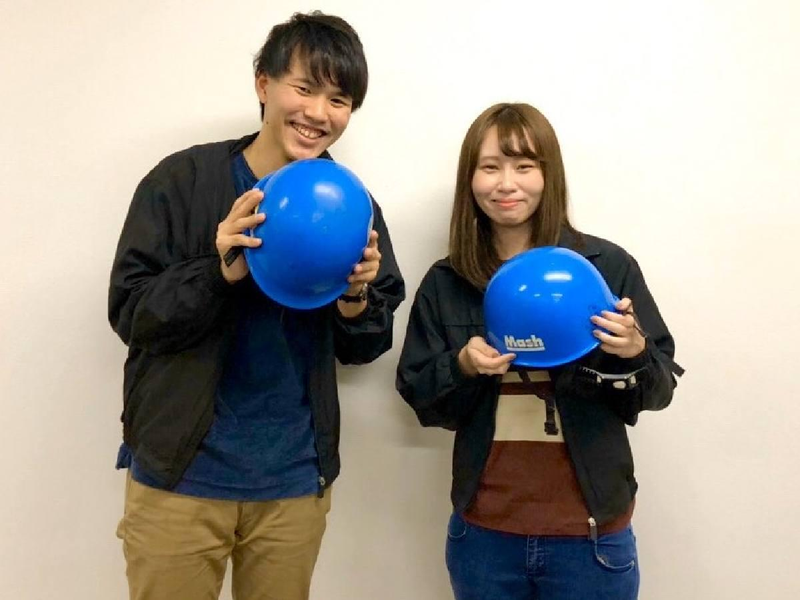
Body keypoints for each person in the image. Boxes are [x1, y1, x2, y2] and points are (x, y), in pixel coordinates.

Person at [109, 11, 404, 600]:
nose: (318, 113)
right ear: (263, 84)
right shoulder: (182, 181)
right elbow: (131, 313)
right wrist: (218, 271)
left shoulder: (353, 205)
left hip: (293, 483)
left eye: (339, 100)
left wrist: (354, 297)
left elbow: (367, 344)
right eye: (304, 88)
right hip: (180, 477)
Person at [396, 102, 682, 600]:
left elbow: (658, 393)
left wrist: (634, 351)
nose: (507, 183)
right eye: (490, 167)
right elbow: (421, 399)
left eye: (524, 166)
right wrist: (462, 366)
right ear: (470, 179)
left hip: (591, 537)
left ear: (549, 175)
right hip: (484, 535)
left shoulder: (606, 267)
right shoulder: (447, 280)